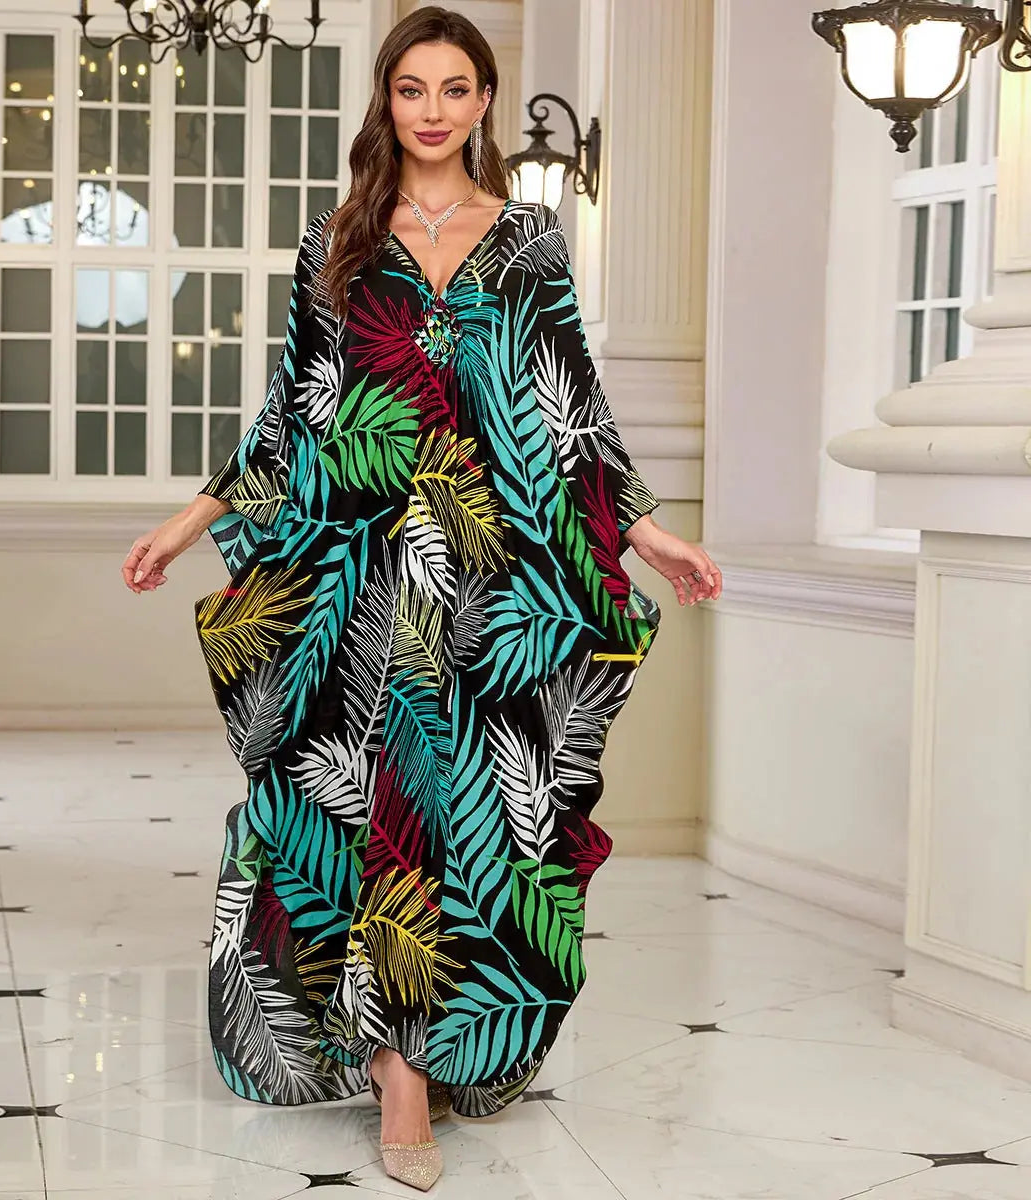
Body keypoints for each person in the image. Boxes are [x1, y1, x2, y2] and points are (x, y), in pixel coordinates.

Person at [121, 6, 721, 1190]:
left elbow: (571, 407)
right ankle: (399, 1078)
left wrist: (650, 534)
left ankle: (445, 1045)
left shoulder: (533, 240)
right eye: (412, 89)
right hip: (359, 569)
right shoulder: (337, 242)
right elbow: (293, 409)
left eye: (454, 89)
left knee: (482, 814)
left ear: (484, 101)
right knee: (374, 805)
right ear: (385, 102)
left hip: (494, 578)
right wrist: (188, 522)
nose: (433, 110)